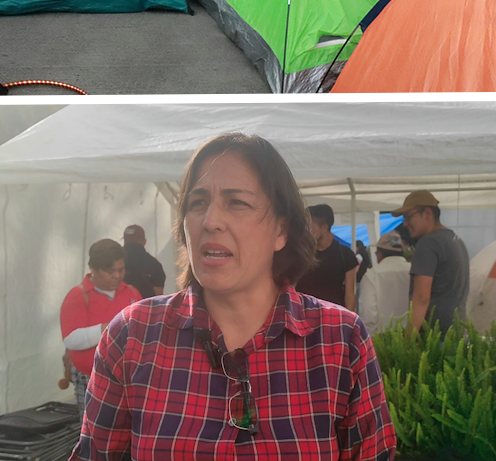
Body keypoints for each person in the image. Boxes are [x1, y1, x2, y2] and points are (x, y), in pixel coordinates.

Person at [71, 133, 395, 460]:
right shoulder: (132, 335)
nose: (210, 221)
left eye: (236, 202)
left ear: (281, 230)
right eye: (197, 203)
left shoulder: (340, 340)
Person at [60, 239, 141, 421]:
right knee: (95, 428)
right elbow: (71, 339)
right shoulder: (78, 296)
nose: (117, 276)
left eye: (121, 270)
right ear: (93, 269)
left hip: (128, 378)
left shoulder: (132, 293)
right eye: (110, 271)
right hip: (91, 377)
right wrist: (109, 328)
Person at [394, 190, 469, 334]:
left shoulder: (428, 244)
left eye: (408, 217)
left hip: (434, 336)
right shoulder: (456, 240)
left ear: (427, 214)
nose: (405, 224)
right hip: (457, 330)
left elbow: (421, 297)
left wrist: (408, 339)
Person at [295, 204, 359, 309]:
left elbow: (350, 294)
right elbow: (292, 286)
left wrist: (349, 322)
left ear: (324, 228)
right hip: (305, 317)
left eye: (311, 227)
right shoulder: (302, 253)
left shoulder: (345, 254)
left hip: (333, 317)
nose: (307, 231)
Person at [357, 232, 411, 336]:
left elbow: (368, 312)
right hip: (411, 336)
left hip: (382, 338)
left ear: (380, 253)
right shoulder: (413, 271)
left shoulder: (372, 275)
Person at [121, 224, 166, 299]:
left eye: (133, 241)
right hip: (145, 308)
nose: (130, 245)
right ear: (144, 242)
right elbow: (158, 299)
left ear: (144, 241)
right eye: (127, 240)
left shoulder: (114, 262)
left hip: (119, 308)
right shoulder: (155, 264)